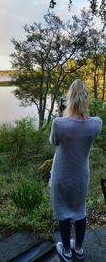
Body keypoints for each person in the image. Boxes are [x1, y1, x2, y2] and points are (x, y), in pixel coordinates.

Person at [49, 79, 103, 262]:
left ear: (69, 100)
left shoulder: (59, 123)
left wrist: (62, 115)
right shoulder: (96, 123)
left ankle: (66, 250)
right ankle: (78, 248)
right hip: (81, 176)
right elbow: (82, 126)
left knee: (63, 213)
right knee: (80, 212)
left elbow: (54, 142)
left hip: (61, 176)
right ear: (85, 99)